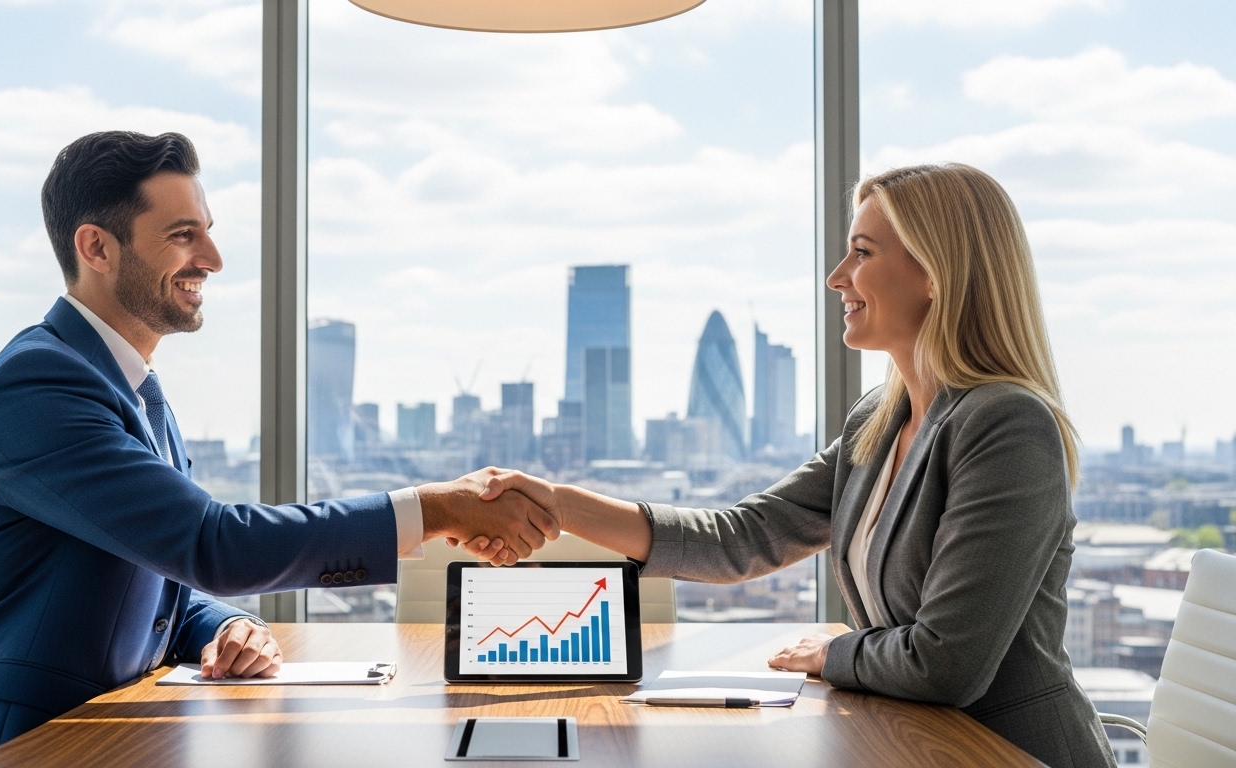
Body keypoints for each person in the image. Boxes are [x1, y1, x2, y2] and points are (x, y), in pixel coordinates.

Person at [0, 131, 556, 760]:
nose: (213, 259)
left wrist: (221, 624)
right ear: (97, 248)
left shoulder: (130, 387)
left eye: (206, 230)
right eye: (182, 234)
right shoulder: (37, 386)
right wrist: (438, 508)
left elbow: (153, 563)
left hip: (117, 727)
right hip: (23, 743)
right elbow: (211, 543)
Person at [471, 164, 1116, 767]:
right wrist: (557, 502)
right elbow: (743, 540)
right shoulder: (878, 420)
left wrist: (832, 653)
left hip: (1002, 751)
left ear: (937, 273)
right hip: (913, 742)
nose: (837, 277)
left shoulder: (1005, 425)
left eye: (862, 253)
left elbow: (945, 664)